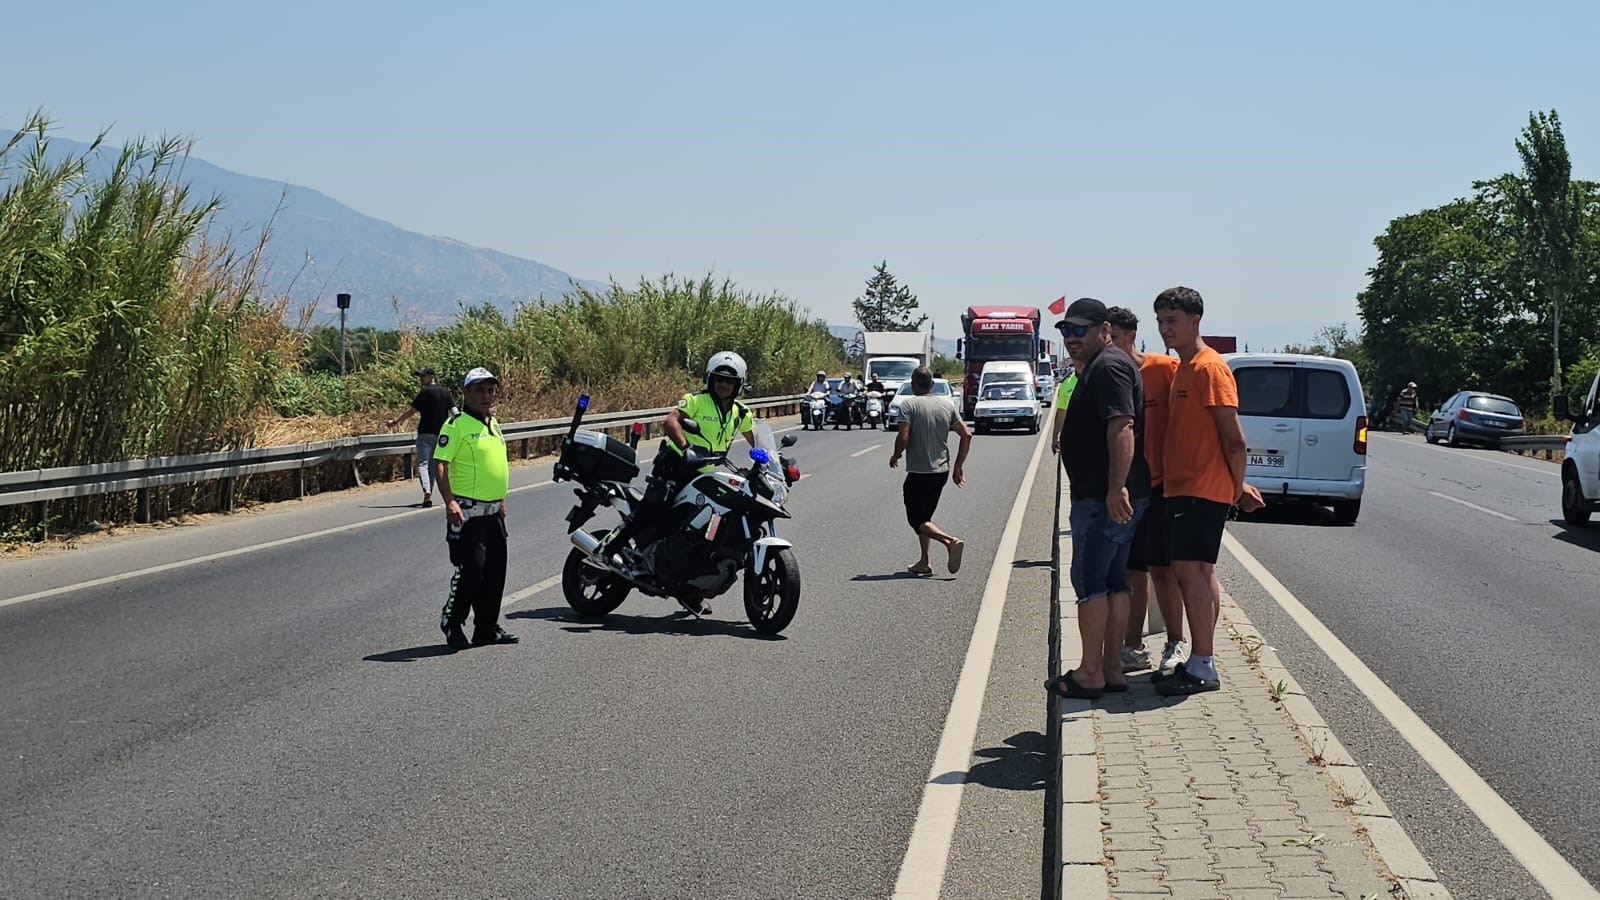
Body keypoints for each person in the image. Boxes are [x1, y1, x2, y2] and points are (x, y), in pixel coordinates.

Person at [1151, 287, 1264, 696]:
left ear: (1195, 320)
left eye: (1172, 321)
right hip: (1187, 487)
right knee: (1199, 573)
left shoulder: (1209, 368)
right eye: (1161, 320)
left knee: (1190, 572)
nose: (1165, 329)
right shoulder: (1185, 366)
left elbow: (1233, 439)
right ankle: (1202, 657)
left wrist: (1235, 488)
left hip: (1201, 489)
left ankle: (1202, 666)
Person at [1045, 298, 1149, 699]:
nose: (1071, 338)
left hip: (1103, 498)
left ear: (1105, 329)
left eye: (1080, 330)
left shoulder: (1107, 367)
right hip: (1111, 495)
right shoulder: (1105, 366)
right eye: (1065, 331)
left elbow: (1122, 426)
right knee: (1112, 581)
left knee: (1090, 584)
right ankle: (1109, 668)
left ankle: (1090, 672)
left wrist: (1114, 487)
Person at [606, 351, 756, 612]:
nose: (723, 385)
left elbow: (757, 440)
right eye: (719, 379)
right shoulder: (696, 400)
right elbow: (671, 421)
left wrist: (774, 459)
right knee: (654, 508)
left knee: (709, 529)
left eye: (729, 381)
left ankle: (689, 586)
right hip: (677, 465)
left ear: (738, 385)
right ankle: (610, 548)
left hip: (706, 473)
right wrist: (686, 447)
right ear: (710, 379)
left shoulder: (740, 412)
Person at [1105, 307, 1186, 676]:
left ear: (1131, 336)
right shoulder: (1108, 375)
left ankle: (1176, 642)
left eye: (1116, 339)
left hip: (1163, 486)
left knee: (1162, 569)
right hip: (1130, 489)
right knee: (1131, 570)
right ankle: (1133, 646)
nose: (1112, 347)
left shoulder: (1162, 369)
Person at [431, 366, 517, 650]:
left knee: (495, 572)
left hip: (493, 514)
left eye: (490, 390)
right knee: (471, 573)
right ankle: (452, 623)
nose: (486, 395)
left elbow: (495, 466)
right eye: (479, 390)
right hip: (467, 514)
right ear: (465, 393)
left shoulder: (493, 424)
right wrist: (450, 502)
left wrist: (501, 499)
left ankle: (486, 628)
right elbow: (440, 463)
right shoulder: (456, 426)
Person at [889, 366, 970, 576]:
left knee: (916, 520)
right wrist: (958, 466)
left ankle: (950, 541)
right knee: (925, 517)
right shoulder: (947, 404)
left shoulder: (908, 404)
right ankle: (925, 561)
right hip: (941, 471)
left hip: (919, 472)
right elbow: (966, 435)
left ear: (913, 384)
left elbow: (904, 435)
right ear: (932, 384)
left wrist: (896, 454)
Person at [386, 366, 453, 507]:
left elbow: (412, 411)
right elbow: (455, 412)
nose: (421, 379)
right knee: (434, 465)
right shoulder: (445, 392)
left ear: (431, 376)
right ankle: (428, 495)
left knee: (422, 463)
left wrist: (396, 422)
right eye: (420, 376)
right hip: (441, 435)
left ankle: (427, 490)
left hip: (425, 433)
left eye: (423, 376)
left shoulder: (425, 392)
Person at [1049, 364, 1080, 457]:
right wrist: (1055, 438)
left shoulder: (1098, 378)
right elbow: (1061, 412)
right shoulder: (1067, 383)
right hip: (1073, 437)